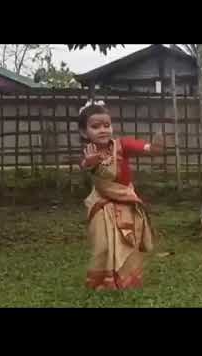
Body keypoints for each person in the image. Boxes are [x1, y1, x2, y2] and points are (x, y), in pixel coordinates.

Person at [78, 100, 163, 290]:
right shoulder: (89, 153)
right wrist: (90, 163)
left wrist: (152, 148)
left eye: (107, 125)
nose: (103, 130)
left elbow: (138, 146)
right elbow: (85, 165)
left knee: (128, 241)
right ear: (84, 132)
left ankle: (127, 281)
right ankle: (103, 282)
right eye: (95, 126)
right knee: (103, 244)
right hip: (101, 205)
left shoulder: (120, 145)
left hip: (125, 203)